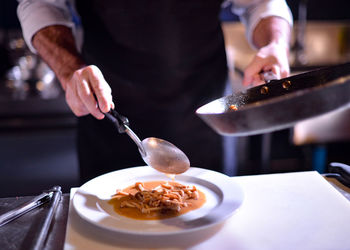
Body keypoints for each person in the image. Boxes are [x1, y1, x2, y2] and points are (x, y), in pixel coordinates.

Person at [17, 0, 293, 183]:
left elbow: (261, 3)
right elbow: (40, 3)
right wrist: (69, 70)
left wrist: (275, 44)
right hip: (108, 107)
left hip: (203, 110)